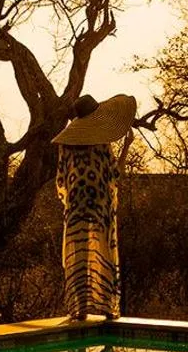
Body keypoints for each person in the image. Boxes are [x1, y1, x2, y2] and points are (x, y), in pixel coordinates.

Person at [52, 93, 136, 321]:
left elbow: (61, 181)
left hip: (76, 207)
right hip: (100, 206)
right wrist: (127, 146)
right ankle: (107, 306)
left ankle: (79, 308)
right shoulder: (101, 144)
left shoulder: (67, 146)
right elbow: (115, 175)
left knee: (79, 254)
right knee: (103, 250)